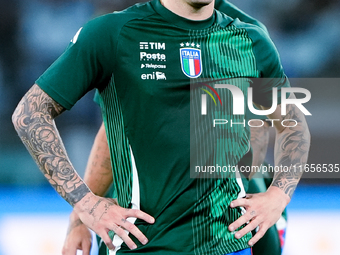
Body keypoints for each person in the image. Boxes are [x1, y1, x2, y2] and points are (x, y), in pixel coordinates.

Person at [12, 0, 310, 254]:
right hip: (141, 243)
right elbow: (32, 113)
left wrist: (279, 195)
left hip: (228, 243)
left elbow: (292, 123)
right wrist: (84, 209)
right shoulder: (114, 34)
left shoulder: (250, 38)